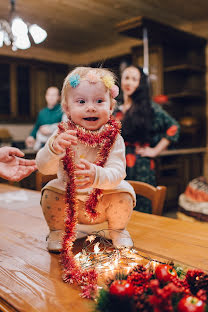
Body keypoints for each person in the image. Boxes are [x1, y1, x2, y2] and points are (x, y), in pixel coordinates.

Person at [36, 66, 136, 252]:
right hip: (70, 201)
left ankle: (117, 230)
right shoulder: (62, 136)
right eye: (81, 101)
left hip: (103, 200)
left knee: (125, 192)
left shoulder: (114, 138)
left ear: (111, 107)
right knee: (49, 191)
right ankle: (58, 231)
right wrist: (54, 149)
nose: (91, 107)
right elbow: (43, 167)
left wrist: (97, 175)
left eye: (99, 101)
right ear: (67, 108)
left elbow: (118, 171)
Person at [114, 65, 180, 214]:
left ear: (140, 84)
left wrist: (155, 151)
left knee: (141, 205)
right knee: (118, 206)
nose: (129, 82)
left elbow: (174, 127)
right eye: (126, 78)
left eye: (134, 79)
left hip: (140, 164)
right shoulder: (115, 108)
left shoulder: (149, 107)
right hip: (117, 162)